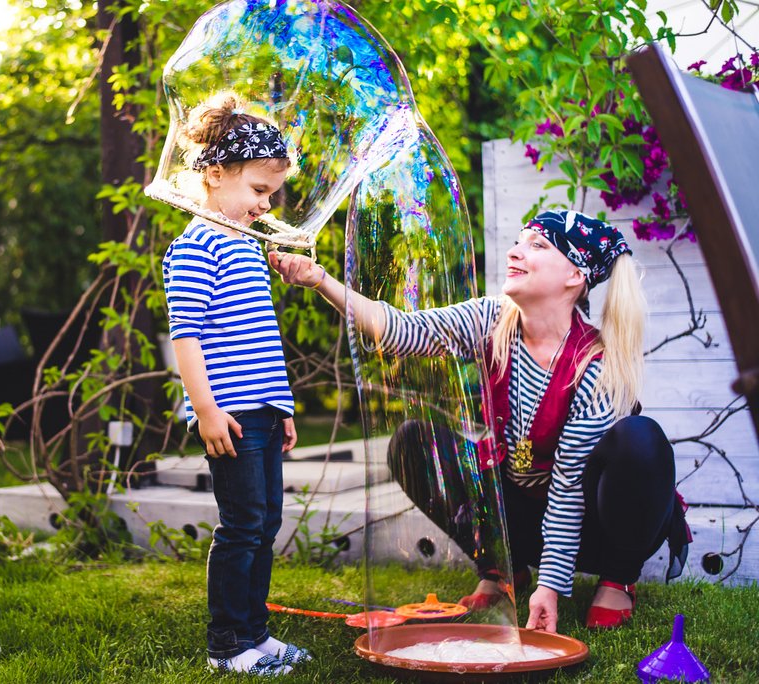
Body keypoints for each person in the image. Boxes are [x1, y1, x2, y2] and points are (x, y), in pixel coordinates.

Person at [270, 209, 689, 633]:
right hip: (524, 512)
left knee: (641, 440)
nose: (515, 251)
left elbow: (567, 489)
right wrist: (319, 279)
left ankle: (618, 578)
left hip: (596, 526)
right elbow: (398, 330)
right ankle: (501, 568)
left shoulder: (595, 364)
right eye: (519, 240)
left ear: (574, 277)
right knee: (413, 441)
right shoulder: (493, 320)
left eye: (537, 245)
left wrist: (551, 588)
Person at [162, 93, 311, 676]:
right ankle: (228, 645)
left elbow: (257, 339)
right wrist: (205, 410)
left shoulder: (244, 244)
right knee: (242, 525)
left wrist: (284, 406)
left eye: (270, 193)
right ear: (215, 176)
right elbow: (188, 335)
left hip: (262, 410)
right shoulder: (197, 244)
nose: (265, 203)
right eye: (257, 190)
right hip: (229, 412)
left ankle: (256, 632)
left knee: (266, 520)